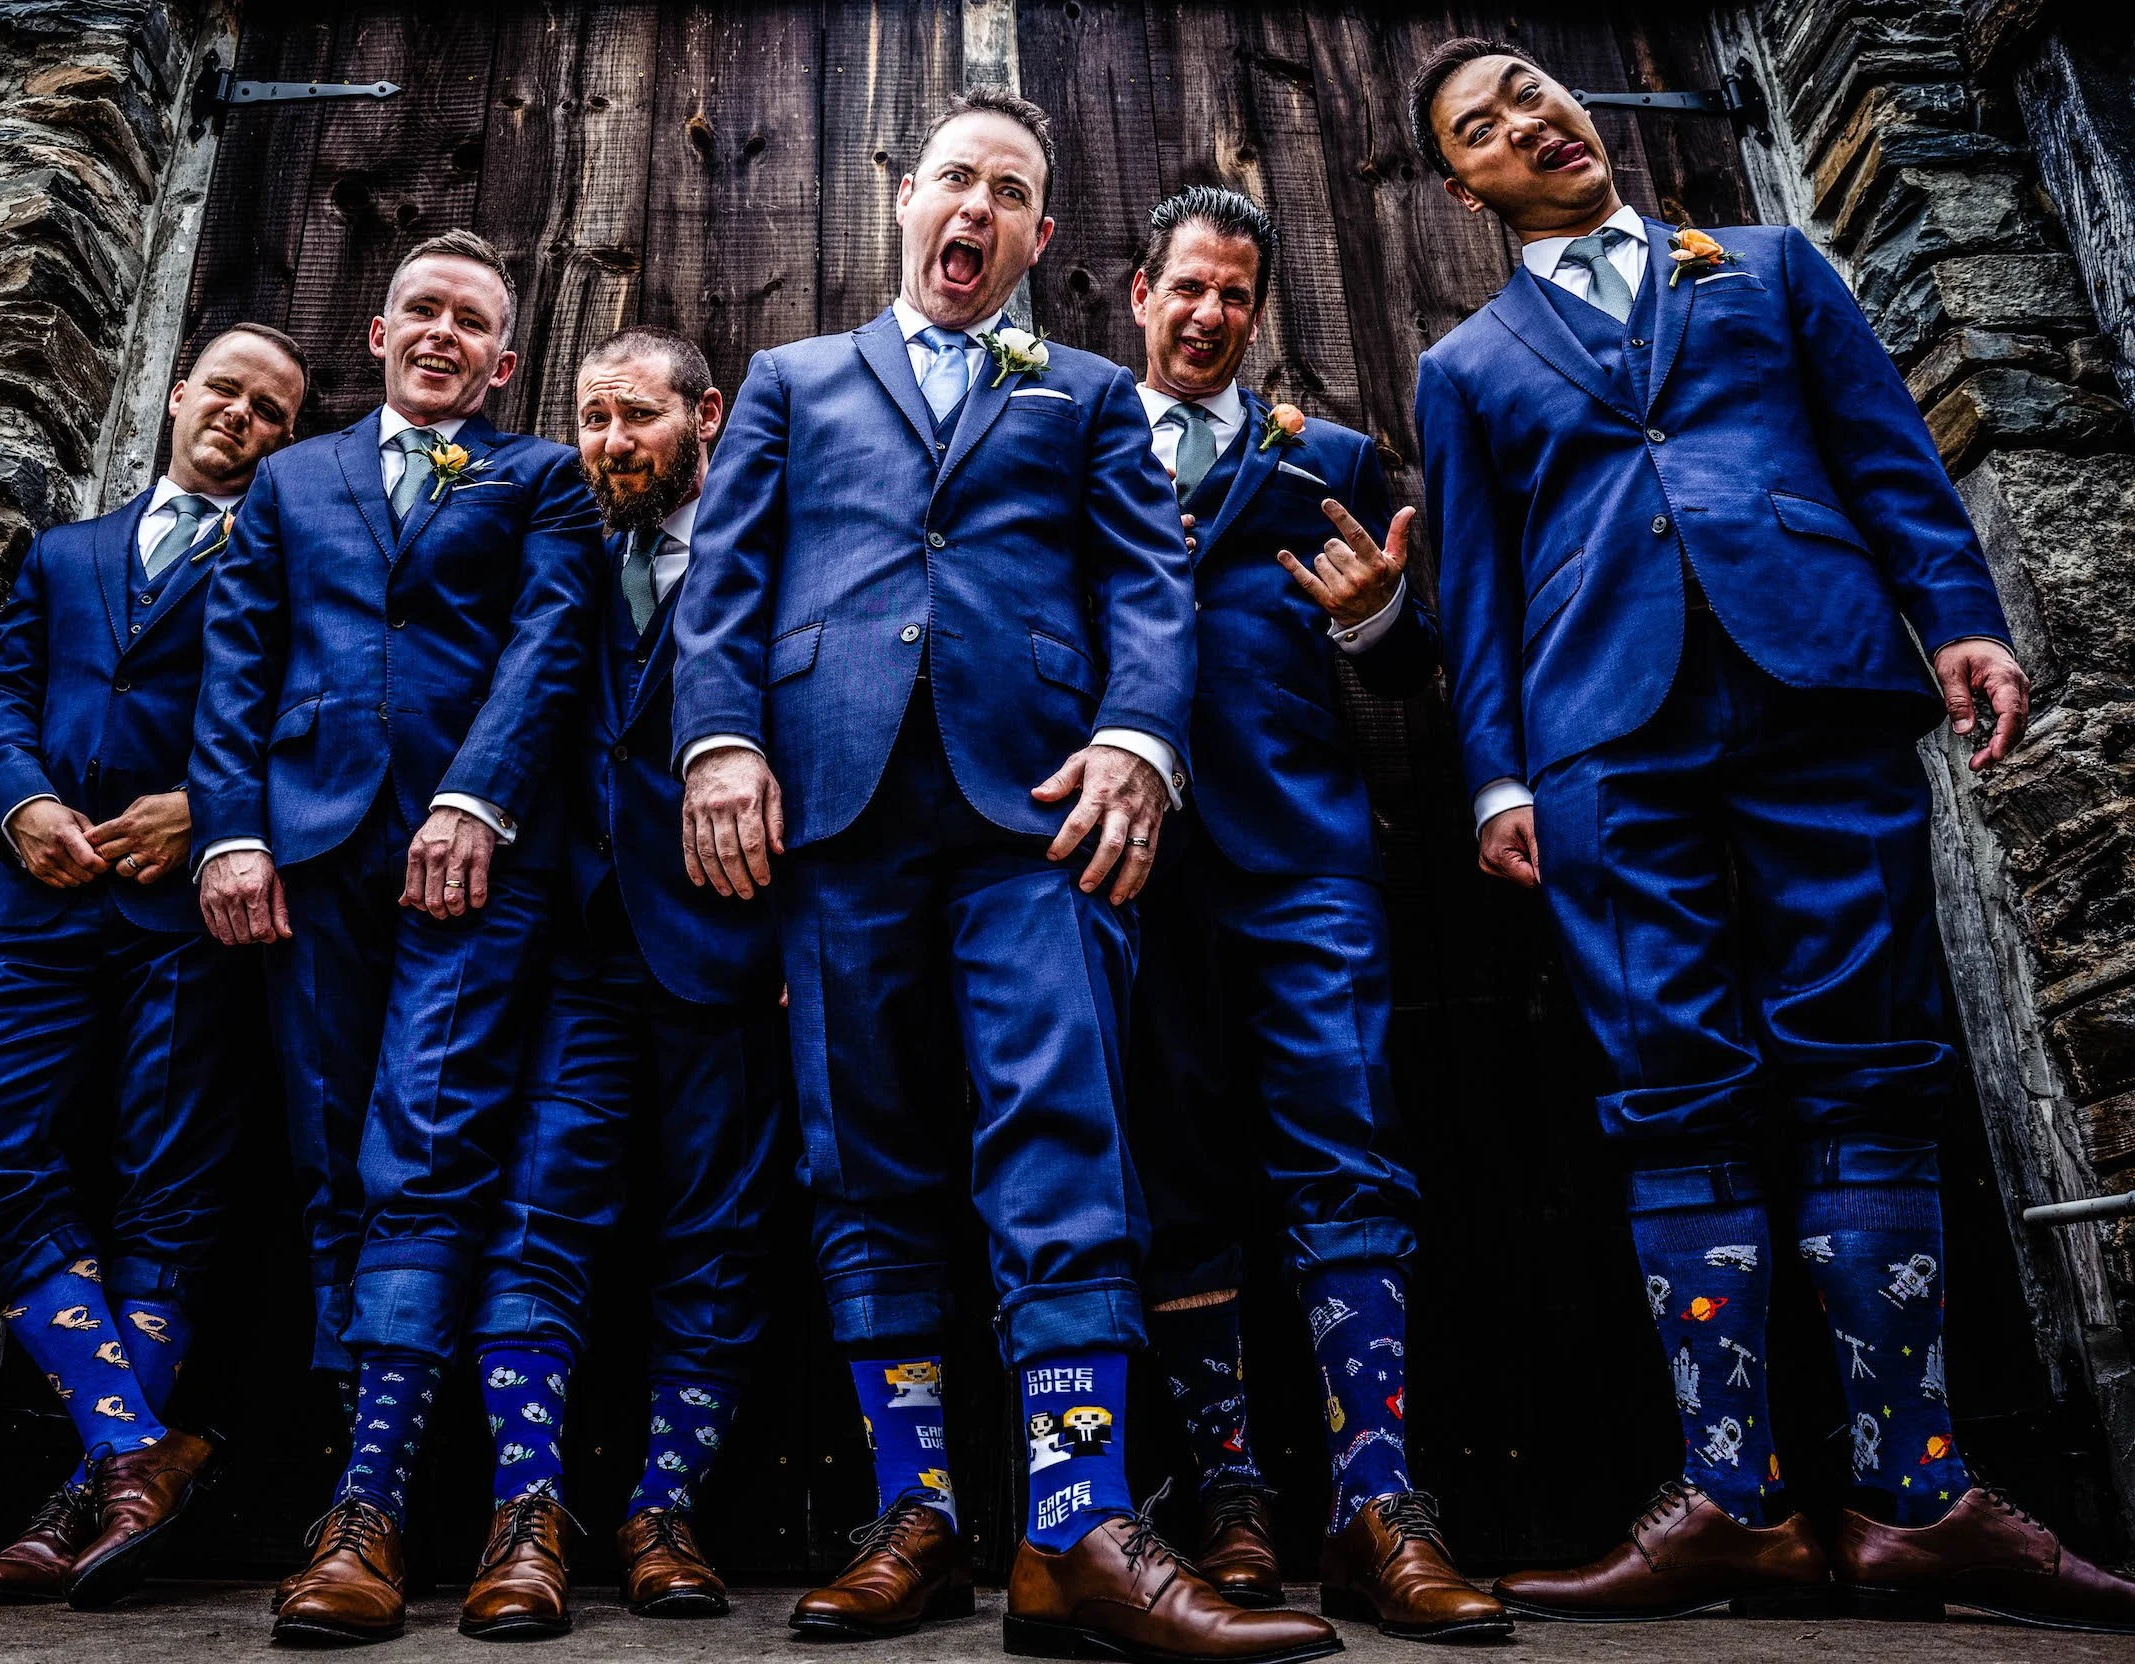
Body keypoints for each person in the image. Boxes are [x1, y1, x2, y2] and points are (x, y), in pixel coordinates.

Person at [1409, 37, 2135, 1632]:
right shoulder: (1463, 368)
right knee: (1669, 1077)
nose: (1528, 120)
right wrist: (1498, 779)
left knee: (1870, 1054)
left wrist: (1959, 615)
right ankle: (1733, 1503)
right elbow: (1474, 591)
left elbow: (1885, 451)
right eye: (1483, 127)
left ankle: (1915, 1495)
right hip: (1604, 737)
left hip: (1820, 677)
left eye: (1531, 88)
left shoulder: (1773, 264)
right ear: (1463, 187)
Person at [676, 85, 1334, 1662]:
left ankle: (1073, 1524)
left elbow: (1148, 583)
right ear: (905, 197)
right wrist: (719, 744)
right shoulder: (793, 382)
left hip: (1037, 817)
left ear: (1041, 238)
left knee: (1063, 1138)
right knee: (861, 1154)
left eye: (1011, 194)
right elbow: (725, 584)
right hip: (832, 816)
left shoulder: (1089, 394)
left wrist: (1138, 740)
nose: (975, 208)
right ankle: (912, 1517)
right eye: (954, 179)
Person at [190, 229, 602, 1646]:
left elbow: (550, 645)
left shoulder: (540, 478)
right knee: (327, 1157)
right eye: (421, 310)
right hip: (307, 855)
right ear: (378, 334)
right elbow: (239, 657)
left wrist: (476, 798)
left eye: (471, 322)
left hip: (470, 862)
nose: (442, 334)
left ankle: (372, 1511)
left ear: (503, 362)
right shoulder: (291, 480)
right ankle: (362, 1481)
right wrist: (230, 831)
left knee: (420, 1141)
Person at [1122, 185, 1506, 1643]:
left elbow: (1409, 666)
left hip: (1305, 863)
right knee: (1173, 1169)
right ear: (1139, 295)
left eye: (1237, 293)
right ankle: (1227, 1494)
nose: (1211, 313)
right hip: (1129, 869)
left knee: (1348, 1147)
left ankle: (1375, 1500)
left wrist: (1374, 618)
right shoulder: (1074, 443)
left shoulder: (1329, 462)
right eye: (1189, 286)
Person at [0, 324, 309, 1609]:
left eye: (271, 411)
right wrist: (20, 800)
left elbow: (314, 718)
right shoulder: (64, 553)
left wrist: (208, 807)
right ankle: (136, 1445)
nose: (241, 416)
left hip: (190, 919)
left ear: (284, 441)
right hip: (40, 906)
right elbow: (0, 695)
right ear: (179, 393)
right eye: (227, 391)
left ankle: (82, 1503)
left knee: (168, 1192)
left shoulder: (289, 559)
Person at [457, 327, 789, 1639]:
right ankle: (525, 1512)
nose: (610, 443)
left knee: (718, 1234)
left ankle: (664, 1508)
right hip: (579, 950)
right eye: (593, 420)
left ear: (706, 416)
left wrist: (801, 938)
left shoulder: (770, 551)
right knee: (538, 1218)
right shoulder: (562, 551)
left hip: (729, 943)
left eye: (636, 416)